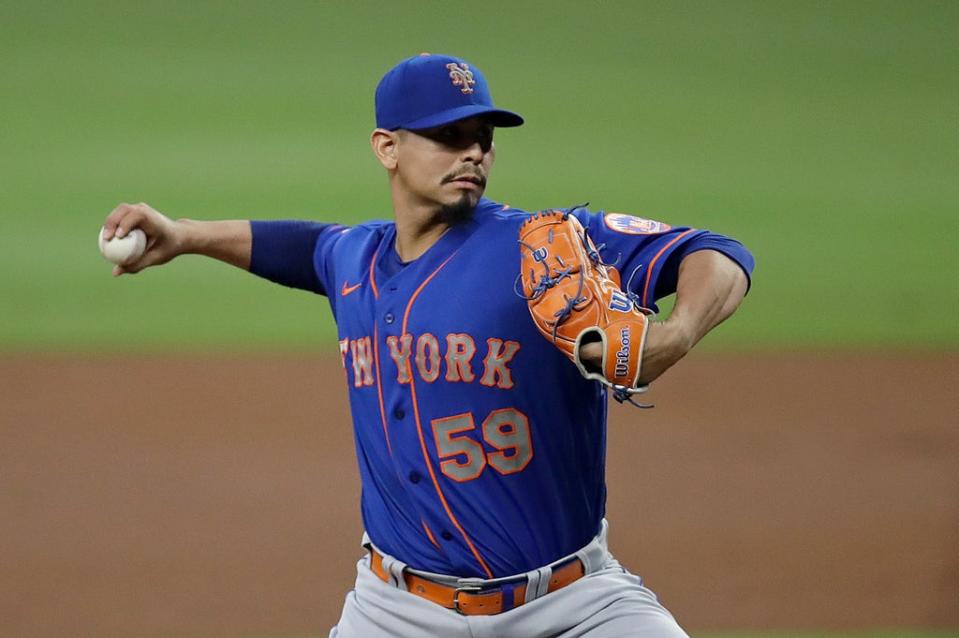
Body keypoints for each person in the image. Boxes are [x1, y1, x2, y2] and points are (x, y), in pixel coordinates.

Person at [102, 53, 753, 637]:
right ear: (387, 147)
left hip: (572, 607)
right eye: (448, 136)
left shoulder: (541, 247)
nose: (472, 153)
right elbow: (297, 247)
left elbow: (717, 254)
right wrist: (185, 234)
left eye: (482, 139)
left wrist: (673, 336)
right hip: (393, 611)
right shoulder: (350, 256)